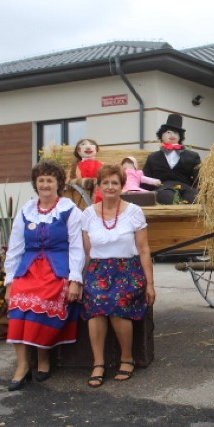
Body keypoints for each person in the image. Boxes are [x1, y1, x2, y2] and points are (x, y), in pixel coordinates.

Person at [3, 160, 85, 391]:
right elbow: (16, 246)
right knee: (18, 304)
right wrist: (10, 280)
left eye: (50, 180)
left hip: (57, 269)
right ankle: (22, 366)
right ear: (35, 184)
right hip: (29, 269)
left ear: (58, 183)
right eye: (41, 180)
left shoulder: (69, 210)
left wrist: (75, 280)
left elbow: (77, 246)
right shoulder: (26, 210)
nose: (45, 184)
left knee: (44, 301)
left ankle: (43, 359)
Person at [81, 164, 156, 386]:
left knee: (115, 301)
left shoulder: (133, 211)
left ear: (122, 186)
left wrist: (150, 284)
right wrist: (78, 280)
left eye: (115, 183)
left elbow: (143, 250)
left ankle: (126, 357)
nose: (110, 187)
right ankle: (98, 363)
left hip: (128, 270)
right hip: (98, 270)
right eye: (106, 182)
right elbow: (86, 253)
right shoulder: (88, 214)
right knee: (96, 299)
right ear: (99, 186)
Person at [142, 113, 201, 204]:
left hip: (186, 187)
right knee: (169, 198)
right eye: (168, 132)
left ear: (180, 136)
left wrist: (199, 191)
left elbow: (198, 179)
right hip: (163, 188)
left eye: (176, 132)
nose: (172, 135)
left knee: (194, 198)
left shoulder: (192, 156)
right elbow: (146, 179)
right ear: (161, 135)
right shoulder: (153, 157)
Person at [70, 138, 104, 203]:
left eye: (91, 144)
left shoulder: (102, 164)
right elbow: (78, 180)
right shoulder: (77, 166)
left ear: (96, 149)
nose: (88, 147)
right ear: (78, 150)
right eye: (83, 144)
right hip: (84, 191)